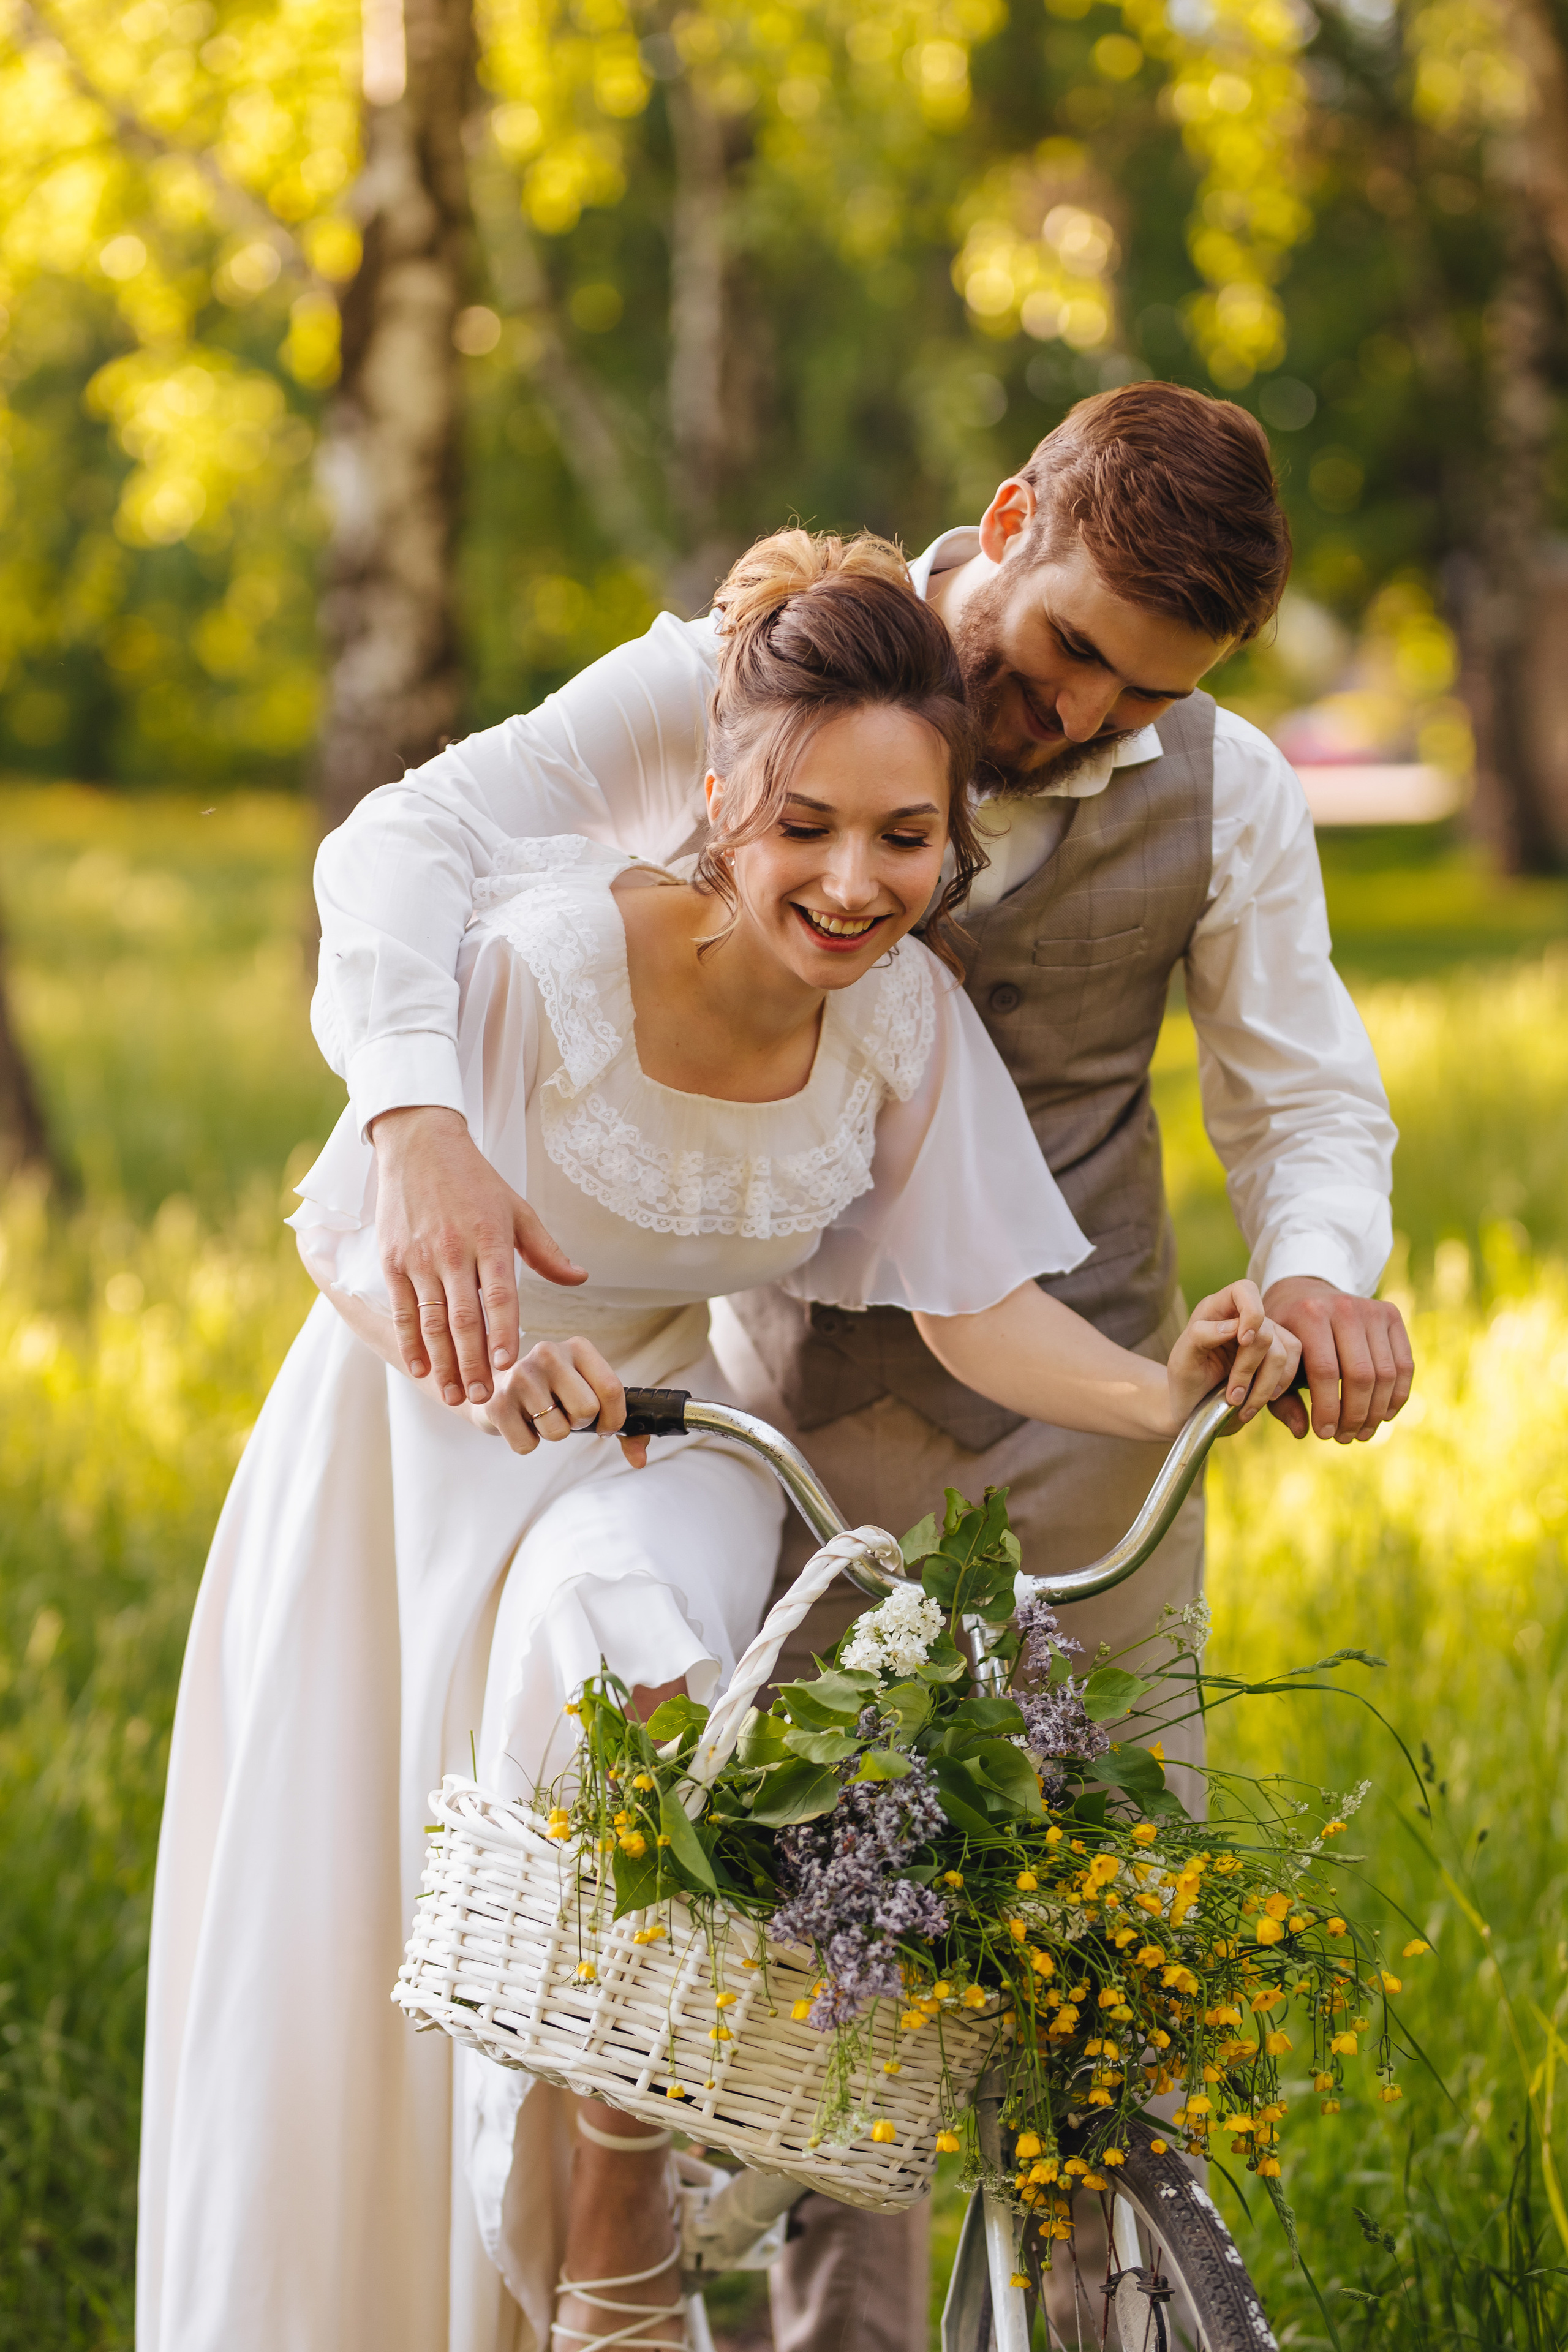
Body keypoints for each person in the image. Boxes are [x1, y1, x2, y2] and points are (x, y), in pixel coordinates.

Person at [303, 382, 1412, 2352]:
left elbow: (1303, 1099)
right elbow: (412, 846)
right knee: (818, 1985)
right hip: (783, 1424)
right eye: (1069, 651)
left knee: (1104, 1974)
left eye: (1138, 700)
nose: (1077, 719)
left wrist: (1308, 1290)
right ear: (1005, 520)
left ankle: (1109, 2324)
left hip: (1078, 1413)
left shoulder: (1227, 791)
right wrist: (414, 1129)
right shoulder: (745, 682)